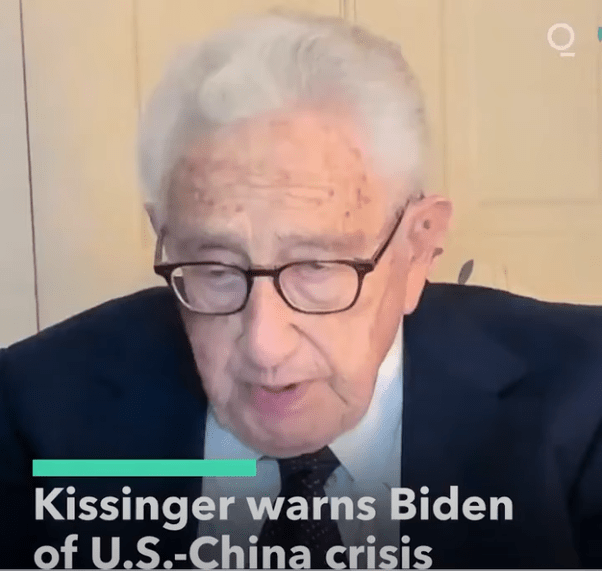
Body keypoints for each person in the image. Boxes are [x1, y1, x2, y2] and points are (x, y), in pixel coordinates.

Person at [1, 11, 601, 570]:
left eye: (317, 266)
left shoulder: (587, 398)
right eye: (215, 268)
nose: (265, 346)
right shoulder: (34, 414)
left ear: (417, 248)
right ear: (166, 237)